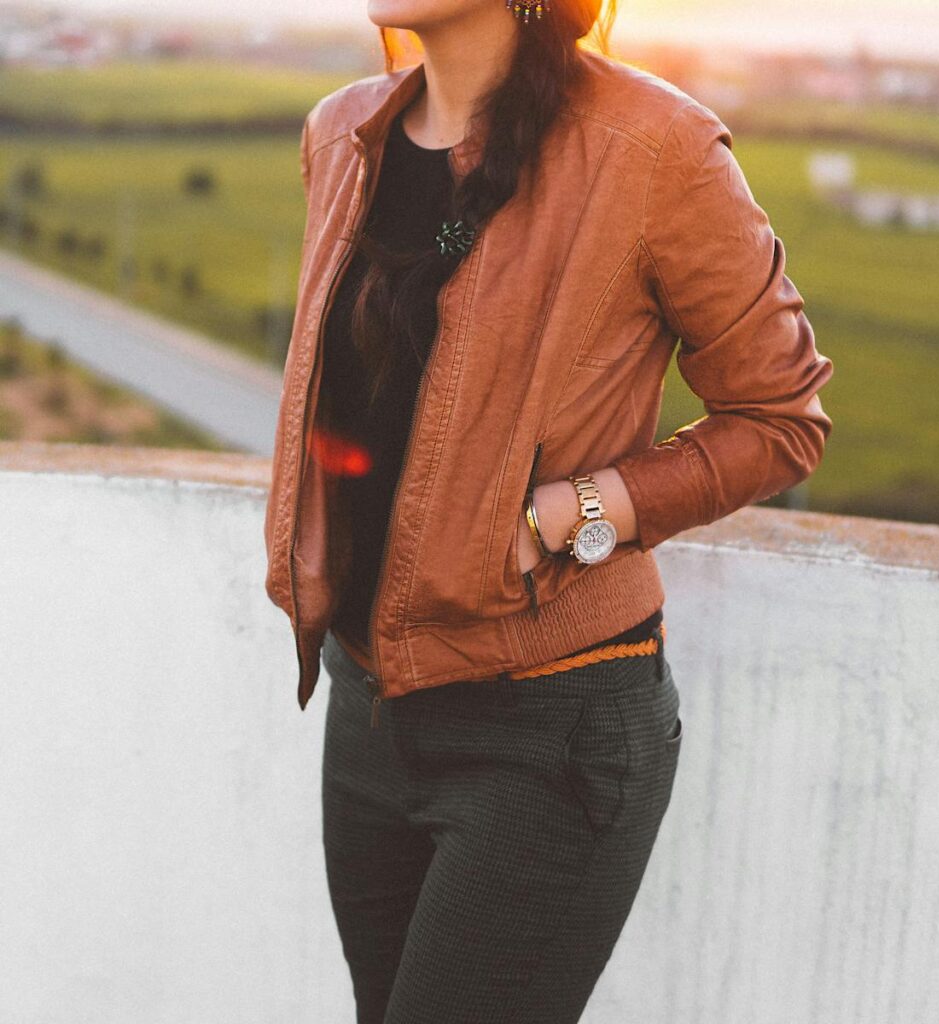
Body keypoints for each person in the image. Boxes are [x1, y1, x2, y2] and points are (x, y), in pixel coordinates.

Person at [261, 0, 834, 1019]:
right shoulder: (343, 135)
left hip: (548, 724)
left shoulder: (654, 148)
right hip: (367, 704)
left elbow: (779, 415)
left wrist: (577, 512)